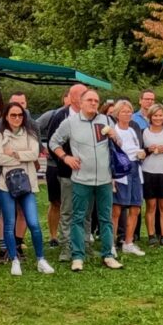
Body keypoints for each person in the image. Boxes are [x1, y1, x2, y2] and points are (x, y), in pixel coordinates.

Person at [48, 89, 123, 270]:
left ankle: (108, 254)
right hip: (81, 179)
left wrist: (114, 136)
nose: (93, 103)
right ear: (80, 103)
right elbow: (53, 142)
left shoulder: (106, 120)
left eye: (96, 100)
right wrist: (66, 157)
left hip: (104, 179)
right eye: (89, 100)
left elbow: (120, 144)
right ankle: (77, 256)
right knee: (78, 217)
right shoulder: (70, 122)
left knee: (105, 218)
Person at [0, 102, 54, 276]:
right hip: (6, 185)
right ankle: (14, 260)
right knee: (9, 223)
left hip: (27, 185)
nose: (17, 118)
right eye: (13, 115)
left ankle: (41, 259)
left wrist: (13, 153)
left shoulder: (30, 134)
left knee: (34, 223)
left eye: (20, 115)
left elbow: (34, 154)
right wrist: (23, 156)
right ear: (6, 117)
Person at [44, 84, 87, 261]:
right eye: (83, 95)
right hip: (66, 172)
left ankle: (84, 244)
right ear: (73, 97)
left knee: (84, 210)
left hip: (88, 173)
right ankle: (66, 247)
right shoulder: (60, 116)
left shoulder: (92, 116)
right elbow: (52, 143)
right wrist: (64, 159)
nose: (87, 98)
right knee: (67, 209)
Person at [111, 99, 146, 258]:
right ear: (117, 114)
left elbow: (137, 148)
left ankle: (128, 242)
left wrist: (141, 153)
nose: (127, 114)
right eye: (124, 111)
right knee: (117, 209)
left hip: (135, 169)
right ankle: (111, 243)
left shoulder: (132, 130)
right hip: (121, 171)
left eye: (129, 111)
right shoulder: (114, 131)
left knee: (135, 207)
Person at [35, 95, 68, 247]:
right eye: (70, 97)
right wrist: (41, 147)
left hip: (73, 166)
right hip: (54, 165)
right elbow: (33, 127)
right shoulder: (53, 114)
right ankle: (53, 236)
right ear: (64, 98)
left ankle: (69, 235)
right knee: (55, 202)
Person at [141, 103, 163, 246]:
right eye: (155, 115)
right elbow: (139, 152)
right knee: (151, 205)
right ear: (150, 116)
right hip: (148, 171)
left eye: (160, 115)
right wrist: (148, 150)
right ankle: (151, 235)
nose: (158, 118)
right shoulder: (143, 132)